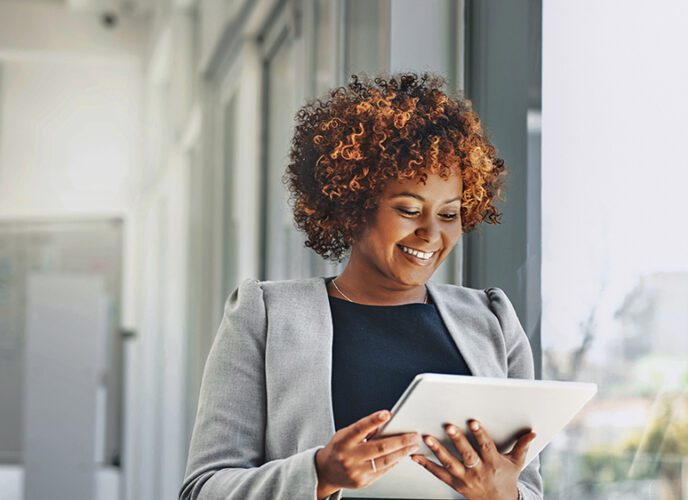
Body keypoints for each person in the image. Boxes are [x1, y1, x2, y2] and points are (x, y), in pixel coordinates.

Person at [180, 73, 543, 500]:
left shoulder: (492, 322)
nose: (430, 234)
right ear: (352, 206)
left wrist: (504, 496)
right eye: (408, 209)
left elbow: (528, 487)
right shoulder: (266, 316)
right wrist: (319, 473)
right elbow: (203, 490)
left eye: (449, 214)